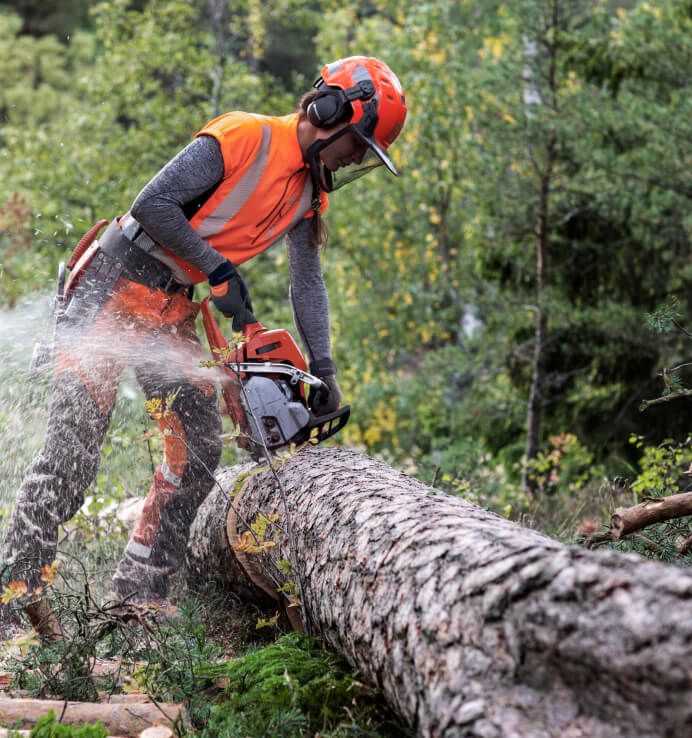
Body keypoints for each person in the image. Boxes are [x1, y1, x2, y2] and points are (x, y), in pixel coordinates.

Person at [1, 55, 407, 632]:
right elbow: (153, 205)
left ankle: (139, 597)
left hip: (173, 306)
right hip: (113, 286)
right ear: (331, 111)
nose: (357, 158)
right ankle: (12, 598)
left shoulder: (308, 194)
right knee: (73, 451)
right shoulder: (244, 136)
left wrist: (323, 366)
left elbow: (307, 281)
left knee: (196, 453)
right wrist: (218, 270)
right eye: (359, 144)